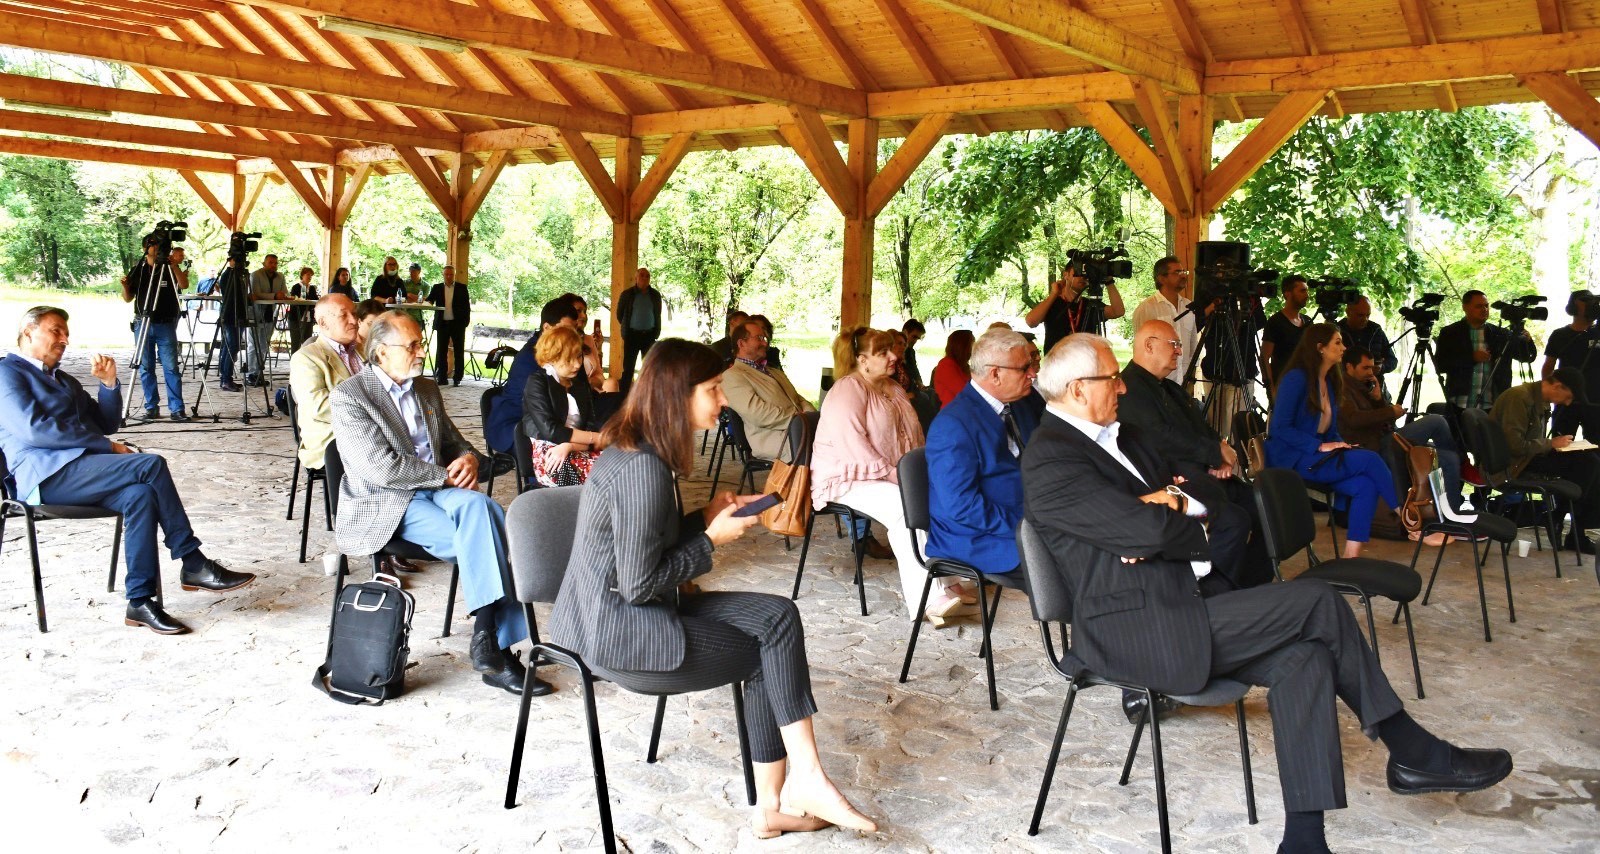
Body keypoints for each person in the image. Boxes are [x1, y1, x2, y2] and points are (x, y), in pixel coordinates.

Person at [1022, 331, 1512, 854]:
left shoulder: (1126, 435)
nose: (1122, 386)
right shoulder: (1050, 459)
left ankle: (1305, 842)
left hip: (1189, 600)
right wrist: (1157, 515)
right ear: (1078, 388)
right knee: (1317, 601)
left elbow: (1204, 496)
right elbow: (1145, 531)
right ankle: (1413, 750)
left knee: (1306, 659)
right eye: (1112, 378)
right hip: (1136, 630)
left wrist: (1172, 504)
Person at [547, 338, 877, 838]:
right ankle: (790, 791)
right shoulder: (642, 468)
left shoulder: (639, 450)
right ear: (677, 395)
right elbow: (638, 584)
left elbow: (644, 544)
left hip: (611, 617)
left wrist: (704, 515)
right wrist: (710, 540)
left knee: (779, 616)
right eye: (713, 389)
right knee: (767, 651)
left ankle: (791, 792)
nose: (723, 400)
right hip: (621, 636)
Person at [0, 307, 256, 635]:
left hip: (82, 472)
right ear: (28, 332)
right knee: (151, 464)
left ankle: (140, 601)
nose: (64, 339)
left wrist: (109, 384)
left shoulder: (63, 380)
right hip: (42, 477)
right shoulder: (8, 373)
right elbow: (34, 430)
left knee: (140, 495)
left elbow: (106, 423)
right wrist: (109, 448)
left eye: (66, 332)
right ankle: (192, 561)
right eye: (56, 330)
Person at [331, 310, 542, 697]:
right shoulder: (351, 396)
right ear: (381, 352)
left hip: (436, 488)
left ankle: (485, 637)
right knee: (487, 535)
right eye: (412, 345)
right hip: (387, 500)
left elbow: (454, 443)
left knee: (486, 510)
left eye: (421, 343)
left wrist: (468, 459)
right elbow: (381, 468)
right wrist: (444, 475)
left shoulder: (425, 388)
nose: (420, 351)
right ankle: (497, 649)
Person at [813, 328, 955, 618]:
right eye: (882, 353)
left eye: (891, 350)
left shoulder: (893, 388)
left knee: (942, 496)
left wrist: (922, 474)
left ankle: (951, 582)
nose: (893, 356)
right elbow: (855, 449)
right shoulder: (848, 389)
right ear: (862, 359)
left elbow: (913, 437)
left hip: (887, 475)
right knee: (906, 508)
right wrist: (900, 477)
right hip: (847, 478)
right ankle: (927, 600)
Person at [1119, 320, 1271, 589]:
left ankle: (1249, 584)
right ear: (1149, 345)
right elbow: (1160, 437)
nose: (1179, 351)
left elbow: (1200, 426)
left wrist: (1219, 454)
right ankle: (1213, 593)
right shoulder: (1129, 388)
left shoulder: (1170, 388)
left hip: (1203, 472)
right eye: (1174, 344)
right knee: (1235, 520)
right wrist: (1213, 453)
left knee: (1262, 504)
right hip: (1175, 479)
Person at [924, 328, 1038, 613]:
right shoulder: (953, 425)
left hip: (1023, 517)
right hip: (976, 537)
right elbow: (962, 507)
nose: (1033, 374)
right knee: (1079, 564)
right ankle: (1097, 634)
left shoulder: (1021, 404)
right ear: (995, 374)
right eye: (1024, 368)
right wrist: (1027, 525)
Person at [1266, 324, 1401, 559]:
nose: (1343, 348)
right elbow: (1279, 428)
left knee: (1365, 486)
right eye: (1337, 342)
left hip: (1316, 457)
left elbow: (1330, 431)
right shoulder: (1296, 378)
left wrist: (1340, 444)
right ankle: (1410, 520)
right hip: (1292, 459)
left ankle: (1350, 558)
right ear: (1320, 348)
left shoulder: (1328, 380)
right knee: (1371, 460)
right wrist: (1318, 446)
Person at [1338, 345, 1467, 515]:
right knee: (1436, 421)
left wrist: (1378, 399)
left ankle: (1450, 510)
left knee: (1448, 457)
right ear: (1349, 367)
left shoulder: (1367, 385)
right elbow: (1354, 420)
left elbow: (1387, 419)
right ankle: (1461, 473)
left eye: (1372, 368)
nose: (1370, 372)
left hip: (1388, 437)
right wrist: (1390, 411)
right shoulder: (1342, 388)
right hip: (1374, 445)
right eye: (1365, 368)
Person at [1488, 369, 1599, 554]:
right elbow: (1513, 445)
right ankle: (1564, 523)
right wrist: (1551, 443)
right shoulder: (1519, 398)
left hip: (1527, 458)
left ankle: (1565, 522)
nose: (1567, 403)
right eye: (1568, 397)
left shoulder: (1538, 400)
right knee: (1588, 466)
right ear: (1557, 386)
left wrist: (1557, 446)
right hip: (1513, 464)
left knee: (1590, 462)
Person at [485, 295, 583, 455]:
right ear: (547, 328)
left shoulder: (571, 357)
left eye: (574, 330)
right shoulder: (529, 359)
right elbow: (546, 423)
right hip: (516, 427)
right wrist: (590, 438)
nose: (570, 335)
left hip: (552, 426)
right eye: (564, 330)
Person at [520, 326, 604, 487]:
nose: (577, 365)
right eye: (568, 360)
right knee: (607, 476)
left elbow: (591, 426)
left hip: (578, 447)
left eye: (579, 356)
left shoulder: (580, 385)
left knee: (621, 462)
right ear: (551, 358)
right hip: (550, 453)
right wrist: (597, 438)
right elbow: (551, 431)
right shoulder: (537, 382)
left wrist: (570, 446)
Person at [721, 320, 814, 461]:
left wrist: (812, 417)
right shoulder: (732, 376)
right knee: (830, 450)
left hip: (799, 432)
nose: (765, 343)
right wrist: (801, 420)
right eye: (759, 338)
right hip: (776, 440)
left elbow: (798, 399)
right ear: (741, 343)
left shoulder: (774, 372)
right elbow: (758, 414)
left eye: (765, 338)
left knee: (840, 440)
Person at [289, 294, 362, 473]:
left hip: (372, 434)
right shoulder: (306, 358)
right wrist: (372, 415)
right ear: (323, 323)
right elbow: (320, 407)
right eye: (344, 315)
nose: (354, 320)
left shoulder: (365, 351)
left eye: (354, 314)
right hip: (332, 441)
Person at [120, 236, 190, 422]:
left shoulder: (168, 267)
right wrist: (125, 286)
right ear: (145, 248)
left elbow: (184, 284)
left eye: (159, 245)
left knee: (171, 367)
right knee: (145, 367)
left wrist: (174, 265)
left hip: (165, 323)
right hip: (142, 323)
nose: (157, 248)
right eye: (153, 245)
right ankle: (151, 407)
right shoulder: (139, 268)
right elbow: (128, 297)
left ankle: (177, 408)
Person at [1436, 290, 1536, 410]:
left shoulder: (1501, 334)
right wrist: (1471, 357)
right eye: (1479, 306)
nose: (1484, 309)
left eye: (1486, 306)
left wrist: (1528, 341)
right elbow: (1440, 365)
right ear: (1465, 307)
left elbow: (1526, 357)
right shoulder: (1450, 333)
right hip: (1458, 405)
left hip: (1493, 406)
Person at [1540, 289, 1600, 439]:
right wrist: (1547, 394)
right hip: (1565, 401)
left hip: (1595, 402)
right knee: (1561, 444)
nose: (1592, 306)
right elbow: (1548, 366)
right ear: (1574, 307)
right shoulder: (1559, 335)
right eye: (1587, 302)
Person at [1129, 257, 1199, 384]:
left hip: (1185, 380)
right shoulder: (1146, 308)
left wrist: (1192, 375)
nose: (1183, 276)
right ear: (1161, 278)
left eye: (1184, 272)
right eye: (1177, 272)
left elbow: (1193, 343)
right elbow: (1141, 349)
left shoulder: (1188, 306)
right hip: (1159, 382)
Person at [1026, 265, 1125, 354]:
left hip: (1085, 363)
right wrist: (1054, 294)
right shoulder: (1052, 303)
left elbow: (1118, 311)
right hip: (1056, 363)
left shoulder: (1090, 305)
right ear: (1066, 275)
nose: (1082, 277)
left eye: (1086, 274)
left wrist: (1109, 282)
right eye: (1078, 272)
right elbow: (1031, 321)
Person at [1260, 274, 1311, 395]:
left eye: (1307, 291)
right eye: (1302, 291)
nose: (1307, 295)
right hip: (1283, 386)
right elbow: (1264, 357)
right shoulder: (1275, 322)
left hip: (1305, 387)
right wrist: (1271, 389)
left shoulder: (1308, 321)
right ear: (1288, 294)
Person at [1337, 296, 1396, 397]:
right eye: (1360, 315)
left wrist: (1381, 367)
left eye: (1368, 315)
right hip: (1346, 391)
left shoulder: (1376, 330)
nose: (1365, 319)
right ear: (1348, 312)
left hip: (1375, 389)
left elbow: (1392, 360)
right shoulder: (1338, 331)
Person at [246, 253, 289, 386]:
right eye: (270, 262)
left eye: (275, 263)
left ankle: (259, 373)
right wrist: (274, 295)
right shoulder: (255, 275)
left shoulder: (280, 276)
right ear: (264, 263)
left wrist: (281, 296)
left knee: (264, 346)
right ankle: (250, 374)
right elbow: (255, 294)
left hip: (271, 315)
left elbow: (284, 292)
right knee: (253, 345)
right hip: (255, 314)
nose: (273, 265)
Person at [615, 266, 662, 388]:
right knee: (628, 368)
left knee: (649, 368)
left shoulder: (655, 295)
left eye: (647, 276)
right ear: (636, 278)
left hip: (649, 336)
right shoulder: (627, 294)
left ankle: (647, 392)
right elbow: (620, 315)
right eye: (642, 275)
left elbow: (657, 314)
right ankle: (624, 394)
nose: (645, 278)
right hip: (632, 336)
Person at [427, 264, 471, 386]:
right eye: (446, 274)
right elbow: (429, 300)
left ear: (454, 275)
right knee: (441, 351)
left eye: (451, 274)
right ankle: (442, 377)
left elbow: (466, 307)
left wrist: (465, 322)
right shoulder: (437, 287)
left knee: (459, 351)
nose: (448, 276)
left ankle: (458, 378)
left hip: (458, 324)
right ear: (443, 275)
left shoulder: (462, 288)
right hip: (442, 323)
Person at [931, 329, 974, 407]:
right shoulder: (946, 364)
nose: (975, 347)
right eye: (972, 344)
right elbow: (963, 391)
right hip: (954, 410)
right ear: (963, 346)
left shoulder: (964, 366)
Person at [288, 266, 319, 353]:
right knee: (296, 341)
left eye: (311, 275)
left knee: (307, 341)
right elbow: (294, 300)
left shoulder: (312, 288)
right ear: (302, 275)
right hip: (296, 317)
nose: (309, 277)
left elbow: (315, 300)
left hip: (308, 317)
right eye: (308, 274)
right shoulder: (296, 287)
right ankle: (294, 358)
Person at [901, 319, 927, 389]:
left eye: (917, 338)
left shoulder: (910, 351)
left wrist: (920, 383)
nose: (915, 341)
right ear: (905, 332)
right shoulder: (893, 352)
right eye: (914, 337)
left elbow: (914, 370)